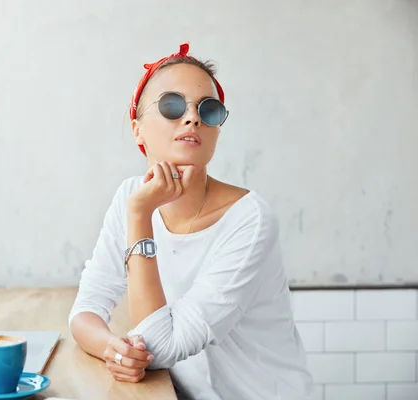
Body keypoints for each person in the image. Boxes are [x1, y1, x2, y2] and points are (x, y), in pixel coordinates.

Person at [68, 43, 313, 400]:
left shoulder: (250, 219)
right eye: (172, 105)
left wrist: (140, 216)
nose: (192, 118)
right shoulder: (129, 195)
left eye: (208, 110)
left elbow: (160, 347)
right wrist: (115, 351)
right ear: (137, 130)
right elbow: (86, 309)